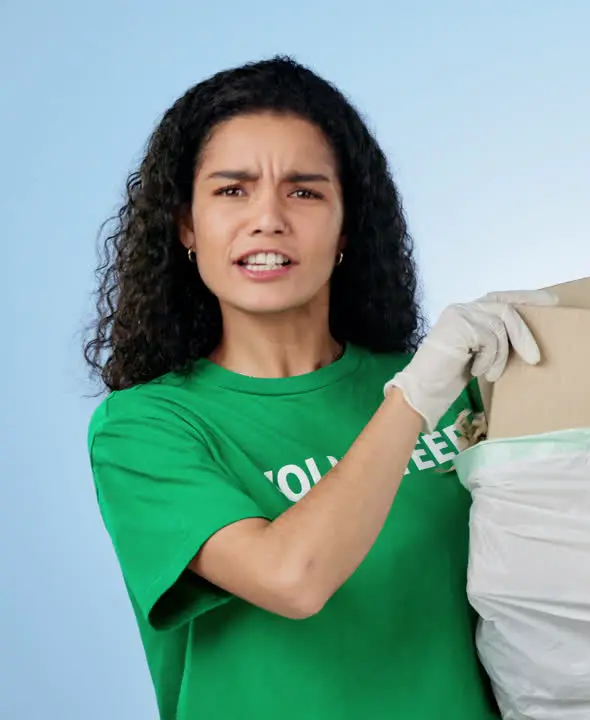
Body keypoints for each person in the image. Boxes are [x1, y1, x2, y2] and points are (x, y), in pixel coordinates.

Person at [83, 55, 556, 720]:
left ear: (346, 227)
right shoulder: (146, 428)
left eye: (304, 191)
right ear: (187, 226)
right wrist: (416, 398)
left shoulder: (457, 389)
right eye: (231, 190)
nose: (268, 219)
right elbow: (291, 578)